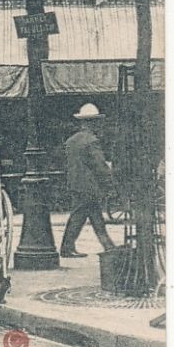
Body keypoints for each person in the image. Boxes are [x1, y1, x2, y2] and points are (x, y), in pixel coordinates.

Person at [60, 103, 118, 258]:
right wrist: (110, 185)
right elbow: (100, 166)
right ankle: (66, 248)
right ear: (92, 123)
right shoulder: (92, 141)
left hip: (75, 184)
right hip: (89, 186)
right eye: (96, 122)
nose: (99, 126)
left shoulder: (71, 141)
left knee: (94, 216)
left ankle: (108, 246)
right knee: (79, 217)